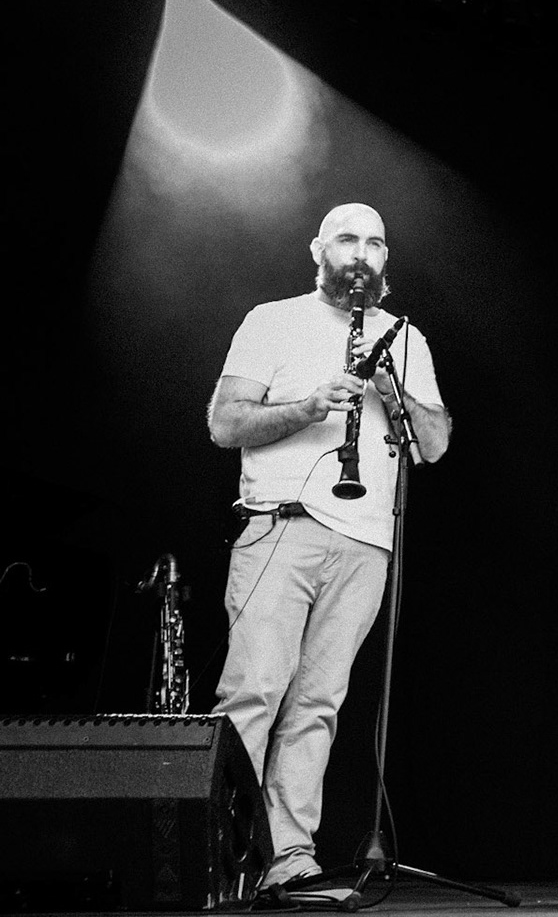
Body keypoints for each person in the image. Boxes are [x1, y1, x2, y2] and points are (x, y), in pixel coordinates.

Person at [205, 203, 451, 890]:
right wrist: (308, 408)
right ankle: (218, 858)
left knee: (317, 705)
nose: (361, 253)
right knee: (254, 691)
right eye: (347, 239)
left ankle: (287, 859)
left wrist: (391, 388)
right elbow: (224, 424)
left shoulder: (405, 338)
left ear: (385, 259)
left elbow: (433, 444)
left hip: (366, 542)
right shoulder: (273, 320)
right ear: (319, 250)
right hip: (282, 524)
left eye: (375, 242)